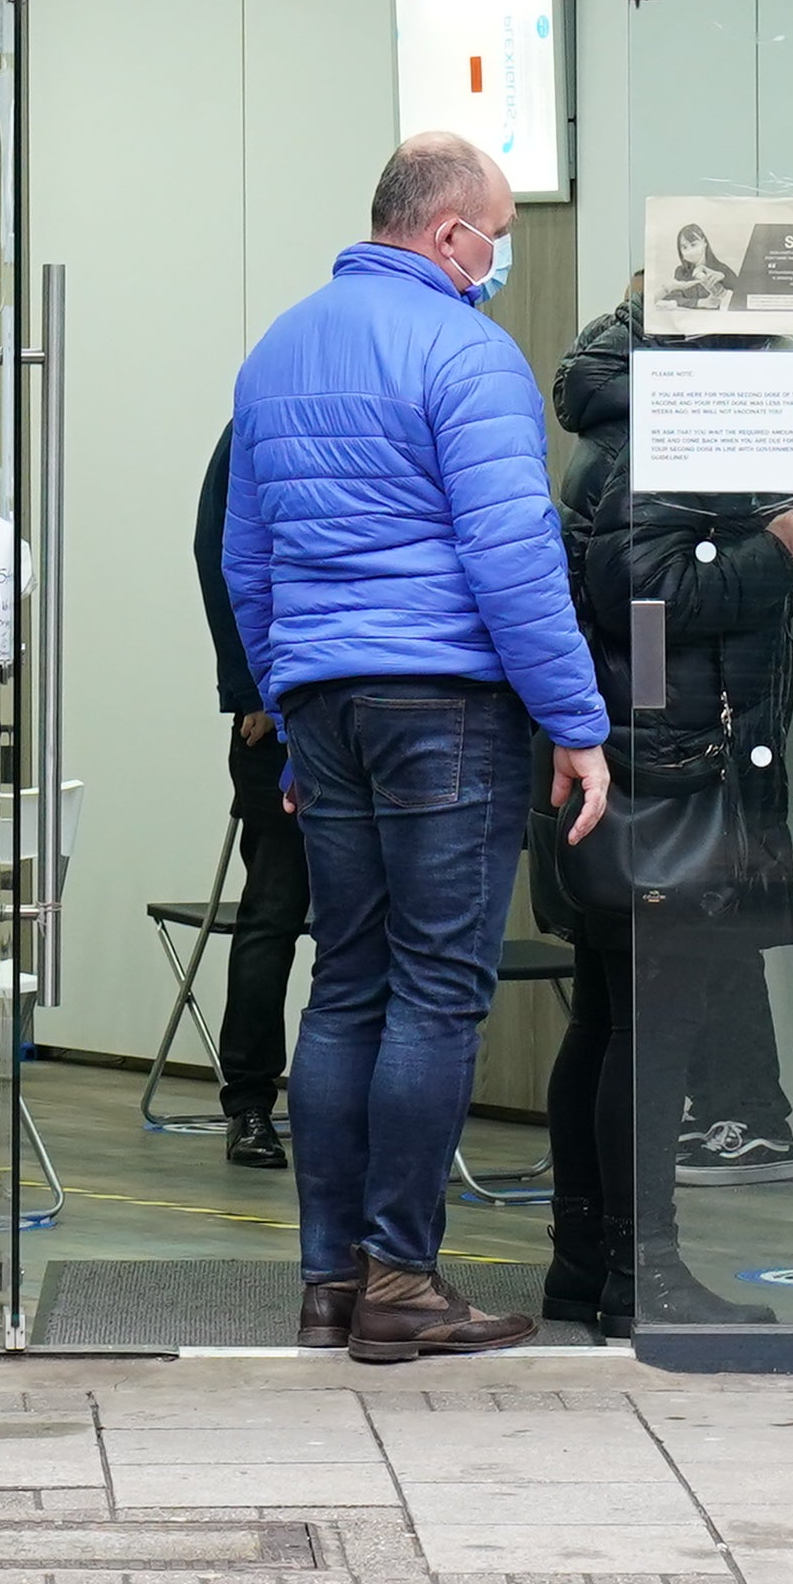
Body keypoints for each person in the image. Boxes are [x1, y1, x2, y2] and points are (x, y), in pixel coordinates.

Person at [224, 131, 615, 1366]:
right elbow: (513, 556)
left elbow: (248, 559)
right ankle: (403, 1277)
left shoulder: (278, 348)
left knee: (346, 982)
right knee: (439, 985)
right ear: (451, 232)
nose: (496, 258)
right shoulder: (467, 349)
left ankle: (329, 1281)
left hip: (326, 701)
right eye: (494, 233)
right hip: (445, 700)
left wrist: (289, 708)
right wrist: (576, 720)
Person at [539, 290, 793, 1329]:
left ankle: (589, 1264)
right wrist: (775, 552)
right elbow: (640, 603)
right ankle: (640, 1270)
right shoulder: (664, 430)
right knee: (650, 1034)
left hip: (646, 762)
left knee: (614, 1024)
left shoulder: (633, 420)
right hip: (673, 773)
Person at [187, 431, 305, 1174]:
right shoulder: (266, 407)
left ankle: (338, 1102)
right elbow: (219, 552)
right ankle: (251, 1104)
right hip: (281, 711)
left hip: (366, 701)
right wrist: (253, 687)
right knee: (273, 914)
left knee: (364, 928)